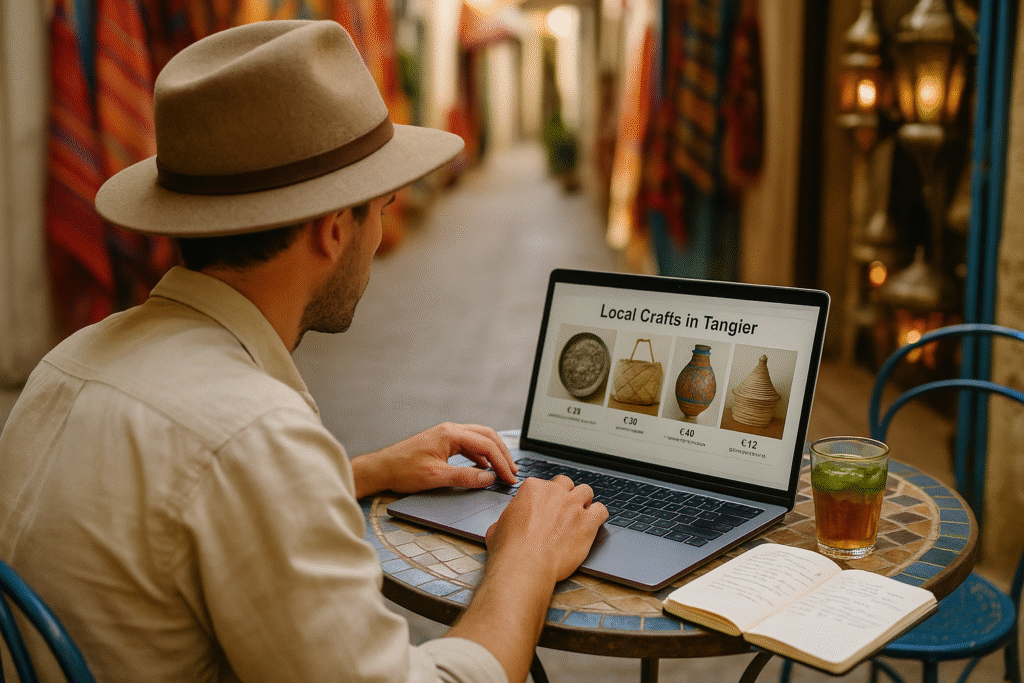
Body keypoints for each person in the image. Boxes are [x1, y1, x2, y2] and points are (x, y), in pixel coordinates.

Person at [0, 20, 607, 683]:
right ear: (335, 228)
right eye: (384, 205)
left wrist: (361, 472)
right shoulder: (253, 437)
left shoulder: (68, 361)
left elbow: (169, 514)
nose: (381, 232)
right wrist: (525, 557)